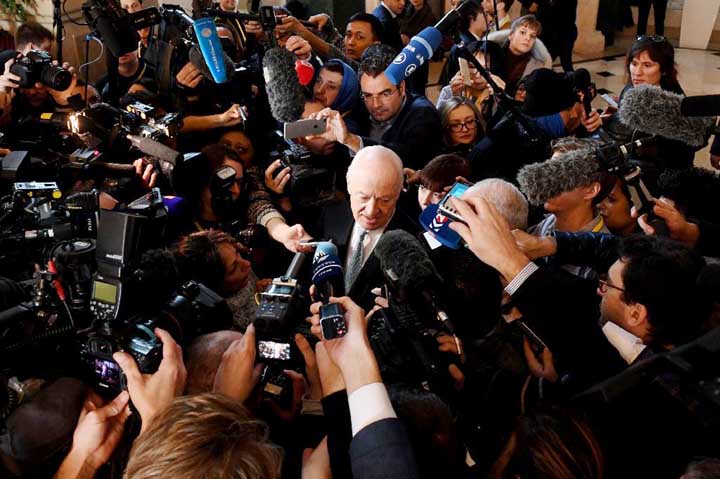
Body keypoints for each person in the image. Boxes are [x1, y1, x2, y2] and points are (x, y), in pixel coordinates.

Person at [310, 145, 418, 310]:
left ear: (398, 194)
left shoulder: (413, 240)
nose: (372, 210)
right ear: (349, 187)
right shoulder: (331, 214)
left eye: (385, 200)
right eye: (364, 197)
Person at [310, 44, 442, 170]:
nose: (376, 104)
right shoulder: (360, 103)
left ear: (401, 88)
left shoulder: (424, 115)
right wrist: (316, 144)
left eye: (385, 94)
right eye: (368, 95)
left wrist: (351, 140)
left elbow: (406, 159)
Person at [603, 35, 697, 171]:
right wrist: (615, 117)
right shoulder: (631, 88)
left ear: (664, 69)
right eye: (634, 63)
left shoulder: (672, 103)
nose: (637, 72)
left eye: (647, 65)